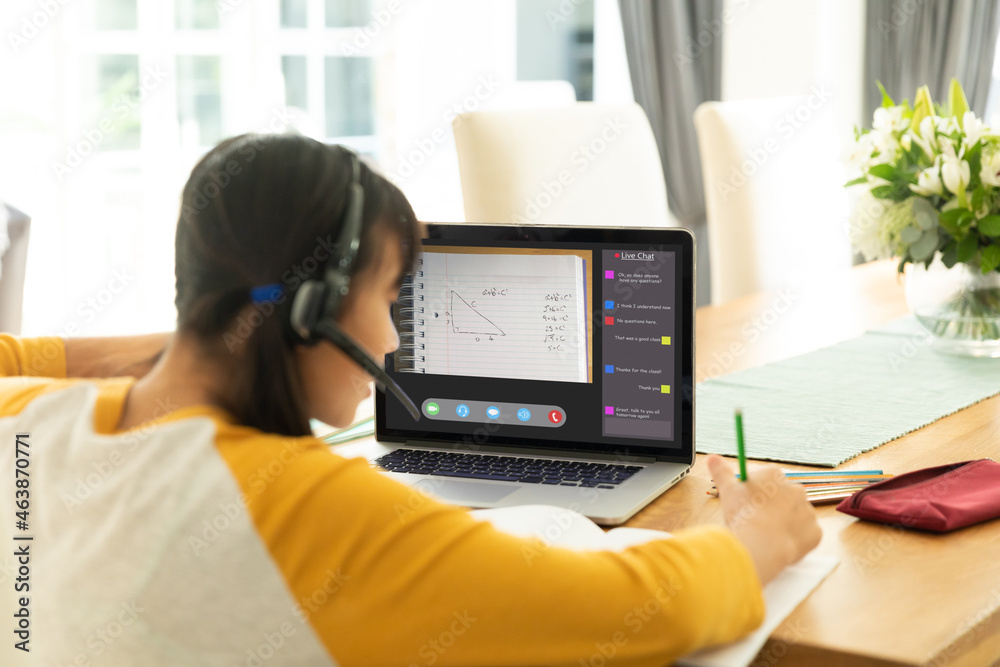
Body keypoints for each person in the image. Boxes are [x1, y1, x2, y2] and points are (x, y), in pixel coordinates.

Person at [0, 133, 820, 666]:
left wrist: (204, 341)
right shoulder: (299, 505)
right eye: (391, 296)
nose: (394, 342)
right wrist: (758, 534)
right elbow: (631, 609)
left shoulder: (24, 417)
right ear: (315, 307)